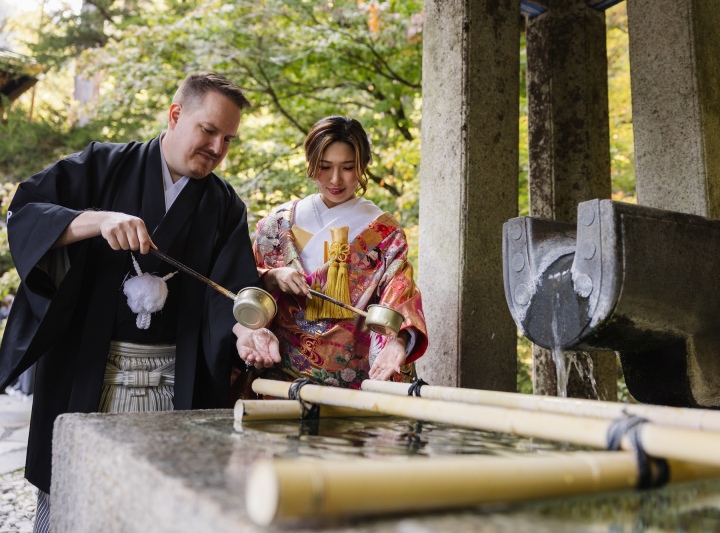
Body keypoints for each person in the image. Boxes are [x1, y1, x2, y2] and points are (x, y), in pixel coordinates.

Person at [0, 72, 277, 532]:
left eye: (228, 138)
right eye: (208, 130)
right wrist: (96, 221)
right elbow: (26, 214)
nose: (217, 148)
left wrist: (248, 330)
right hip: (88, 371)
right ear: (175, 115)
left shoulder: (225, 205)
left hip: (172, 383)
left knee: (159, 509)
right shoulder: (103, 165)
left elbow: (228, 289)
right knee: (71, 501)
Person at [233, 115, 427, 389]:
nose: (336, 179)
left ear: (363, 166)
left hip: (355, 381)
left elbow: (399, 293)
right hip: (278, 373)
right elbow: (243, 282)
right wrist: (273, 276)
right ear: (310, 164)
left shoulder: (384, 233)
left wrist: (396, 342)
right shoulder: (279, 224)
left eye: (348, 168)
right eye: (324, 167)